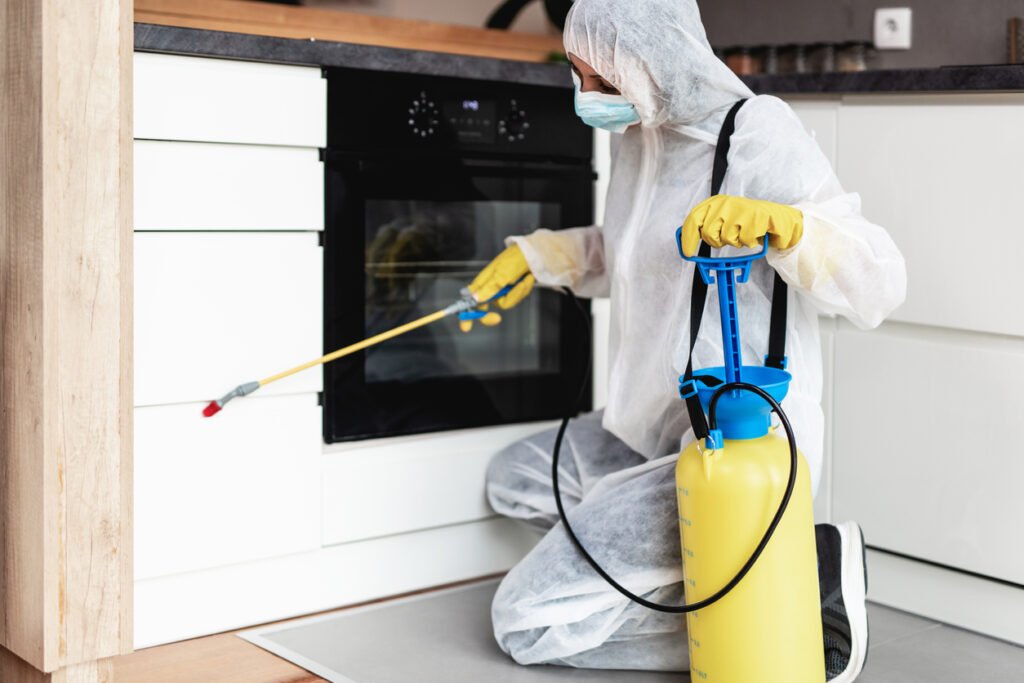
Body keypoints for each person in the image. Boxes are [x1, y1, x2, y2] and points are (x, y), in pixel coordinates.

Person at [465, 0, 907, 679]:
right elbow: (632, 255)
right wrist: (542, 256)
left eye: (598, 78)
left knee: (526, 619)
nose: (586, 96)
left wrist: (790, 229)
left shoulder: (758, 131)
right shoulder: (640, 132)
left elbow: (880, 281)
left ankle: (794, 610)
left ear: (651, 61)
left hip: (731, 438)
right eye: (577, 75)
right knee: (513, 481)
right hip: (645, 425)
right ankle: (721, 565)